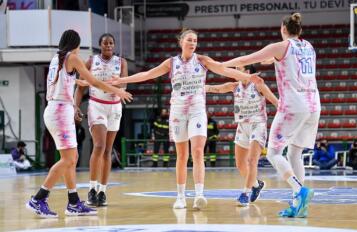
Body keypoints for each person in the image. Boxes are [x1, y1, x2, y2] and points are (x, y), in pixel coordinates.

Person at [107, 28, 262, 210]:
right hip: (178, 112)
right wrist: (121, 80)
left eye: (195, 40)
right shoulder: (171, 63)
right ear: (181, 42)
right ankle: (180, 197)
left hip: (197, 111)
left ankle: (199, 195)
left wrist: (246, 76)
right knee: (182, 155)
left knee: (197, 152)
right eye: (189, 40)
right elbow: (147, 74)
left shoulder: (202, 60)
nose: (193, 43)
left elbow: (222, 69)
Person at [222, 13, 320, 217]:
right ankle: (299, 207)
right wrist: (271, 60)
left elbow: (245, 59)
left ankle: (299, 190)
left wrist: (219, 65)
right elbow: (279, 59)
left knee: (275, 153)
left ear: (282, 29)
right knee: (294, 153)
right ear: (299, 30)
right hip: (313, 105)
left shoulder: (280, 46)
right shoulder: (308, 46)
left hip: (293, 105)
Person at [26, 29, 132, 218]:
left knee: (72, 158)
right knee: (68, 159)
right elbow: (93, 81)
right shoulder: (72, 57)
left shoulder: (56, 58)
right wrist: (120, 91)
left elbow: (81, 82)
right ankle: (38, 198)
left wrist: (76, 101)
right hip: (59, 111)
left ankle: (73, 202)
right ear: (75, 44)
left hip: (57, 109)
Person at [206, 65, 278, 206]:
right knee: (240, 164)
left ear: (248, 72)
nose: (235, 71)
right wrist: (199, 88)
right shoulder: (234, 86)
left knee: (252, 161)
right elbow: (215, 88)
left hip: (257, 124)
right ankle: (257, 185)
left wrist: (283, 110)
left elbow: (274, 100)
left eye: (239, 69)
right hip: (242, 126)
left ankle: (245, 193)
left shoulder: (258, 84)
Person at [74, 33, 128, 207]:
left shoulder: (122, 62)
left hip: (115, 106)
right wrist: (76, 106)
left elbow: (124, 85)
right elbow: (80, 87)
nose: (108, 46)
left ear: (114, 45)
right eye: (105, 43)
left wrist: (115, 85)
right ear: (100, 45)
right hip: (97, 105)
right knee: (99, 145)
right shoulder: (91, 61)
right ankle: (91, 189)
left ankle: (103, 191)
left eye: (111, 43)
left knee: (108, 150)